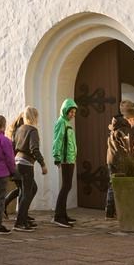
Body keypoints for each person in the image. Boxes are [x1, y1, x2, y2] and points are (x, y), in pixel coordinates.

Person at [10, 108, 47, 231]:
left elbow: (13, 147)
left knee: (28, 190)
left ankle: (23, 218)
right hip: (26, 165)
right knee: (27, 193)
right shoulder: (33, 130)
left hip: (17, 163)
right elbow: (34, 149)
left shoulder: (19, 129)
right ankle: (20, 223)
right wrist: (43, 164)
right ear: (34, 116)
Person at [106, 107, 134, 218]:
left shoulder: (116, 126)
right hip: (118, 160)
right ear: (131, 119)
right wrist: (128, 160)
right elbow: (123, 148)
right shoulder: (123, 129)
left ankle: (110, 212)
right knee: (117, 185)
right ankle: (113, 212)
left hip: (112, 159)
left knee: (113, 184)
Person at [52, 99, 79, 228]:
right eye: (71, 112)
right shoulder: (61, 122)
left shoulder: (67, 123)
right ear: (65, 111)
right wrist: (57, 156)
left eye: (74, 112)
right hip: (65, 159)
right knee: (65, 187)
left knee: (67, 186)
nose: (73, 114)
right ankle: (58, 216)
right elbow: (57, 140)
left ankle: (62, 214)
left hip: (70, 159)